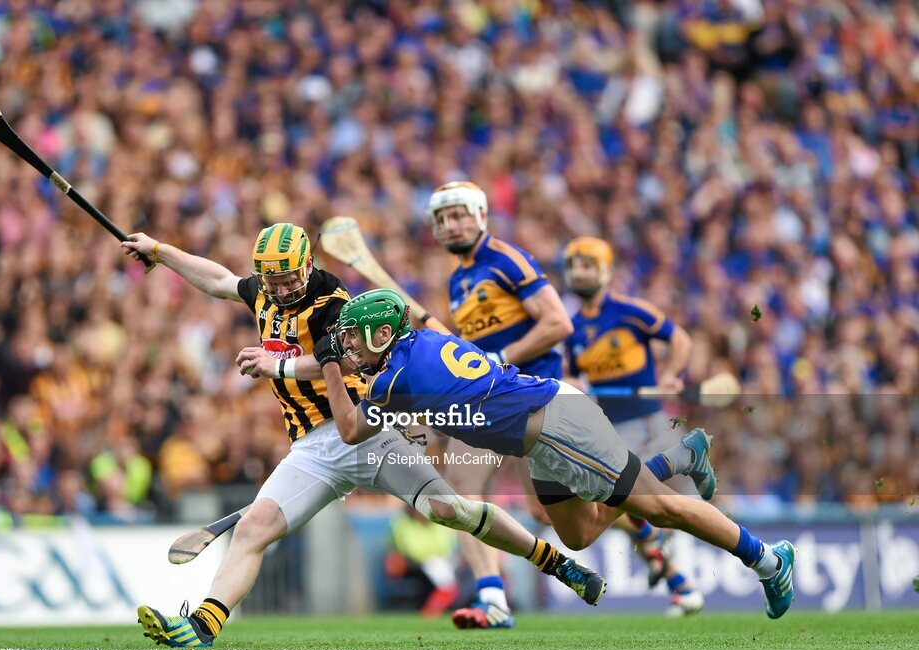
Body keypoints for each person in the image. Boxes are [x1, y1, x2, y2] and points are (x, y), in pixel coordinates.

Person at [121, 224, 606, 648]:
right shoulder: (263, 292)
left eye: (290, 275)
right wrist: (162, 251)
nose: (283, 286)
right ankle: (202, 626)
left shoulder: (333, 303)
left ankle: (554, 562)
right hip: (311, 449)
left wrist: (280, 365)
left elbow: (341, 360)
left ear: (307, 266)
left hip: (368, 430)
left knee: (449, 510)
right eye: (273, 277)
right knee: (253, 529)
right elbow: (219, 279)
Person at [312, 288, 797, 621]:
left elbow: (351, 428)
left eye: (355, 335)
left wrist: (330, 362)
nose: (349, 345)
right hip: (540, 434)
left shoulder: (398, 378)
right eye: (346, 340)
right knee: (578, 532)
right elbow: (425, 355)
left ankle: (769, 561)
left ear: (381, 334)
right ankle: (676, 459)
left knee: (660, 508)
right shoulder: (419, 345)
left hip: (556, 425)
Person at [427, 181, 685, 627]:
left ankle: (645, 522)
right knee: (457, 490)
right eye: (443, 218)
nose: (452, 225)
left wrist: (502, 358)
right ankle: (493, 599)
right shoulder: (458, 279)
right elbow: (475, 346)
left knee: (551, 512)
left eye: (460, 214)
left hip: (533, 394)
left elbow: (557, 322)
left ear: (482, 215)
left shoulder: (505, 260)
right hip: (486, 397)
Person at [562, 236, 704, 616]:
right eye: (573, 265)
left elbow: (680, 340)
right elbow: (571, 378)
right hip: (609, 426)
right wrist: (571, 383)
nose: (579, 272)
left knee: (618, 496)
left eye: (588, 265)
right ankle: (677, 578)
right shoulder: (571, 328)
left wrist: (672, 374)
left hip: (646, 421)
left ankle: (662, 552)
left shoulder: (632, 312)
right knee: (617, 500)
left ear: (606, 272)